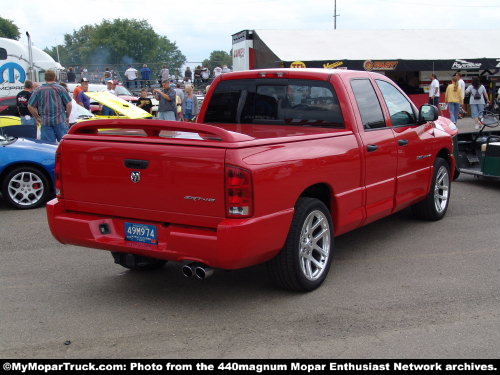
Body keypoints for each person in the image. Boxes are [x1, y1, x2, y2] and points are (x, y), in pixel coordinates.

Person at [27, 70, 72, 143]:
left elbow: (30, 106)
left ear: (45, 78)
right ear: (55, 77)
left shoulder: (38, 90)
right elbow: (69, 104)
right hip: (60, 121)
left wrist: (37, 117)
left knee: (48, 146)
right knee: (64, 144)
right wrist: (67, 117)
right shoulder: (61, 88)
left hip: (45, 122)